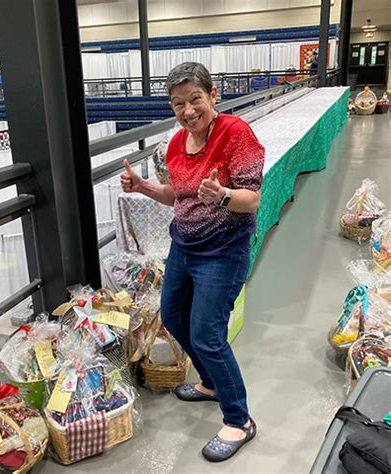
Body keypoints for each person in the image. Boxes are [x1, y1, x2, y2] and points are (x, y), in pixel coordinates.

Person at [121, 61, 265, 462]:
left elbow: (251, 197)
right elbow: (177, 196)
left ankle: (239, 419)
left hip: (223, 252)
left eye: (195, 99)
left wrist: (221, 195)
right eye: (177, 103)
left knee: (207, 334)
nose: (187, 110)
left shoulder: (236, 134)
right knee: (173, 316)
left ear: (213, 95)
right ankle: (210, 383)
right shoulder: (175, 144)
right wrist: (144, 186)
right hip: (184, 248)